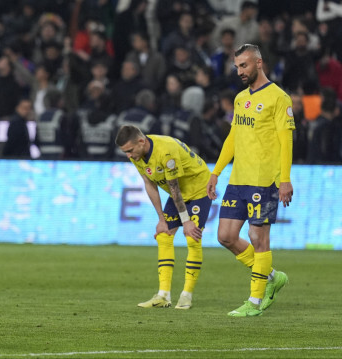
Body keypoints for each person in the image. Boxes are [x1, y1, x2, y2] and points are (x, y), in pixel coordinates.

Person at [207, 44, 293, 317]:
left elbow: (286, 140)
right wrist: (216, 171)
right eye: (236, 67)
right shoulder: (240, 98)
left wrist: (285, 180)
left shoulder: (279, 98)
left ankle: (255, 302)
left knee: (258, 237)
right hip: (238, 179)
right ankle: (271, 277)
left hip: (264, 180)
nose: (239, 71)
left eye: (244, 65)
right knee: (226, 237)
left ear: (259, 62)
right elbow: (234, 138)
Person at [115, 125, 211, 310]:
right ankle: (163, 295)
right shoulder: (137, 154)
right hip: (179, 192)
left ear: (141, 142)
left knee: (192, 237)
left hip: (199, 188)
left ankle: (186, 295)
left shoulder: (166, 151)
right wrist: (161, 219)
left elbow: (173, 187)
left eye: (130, 150)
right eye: (125, 152)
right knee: (163, 234)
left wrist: (186, 221)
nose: (128, 156)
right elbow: (149, 183)